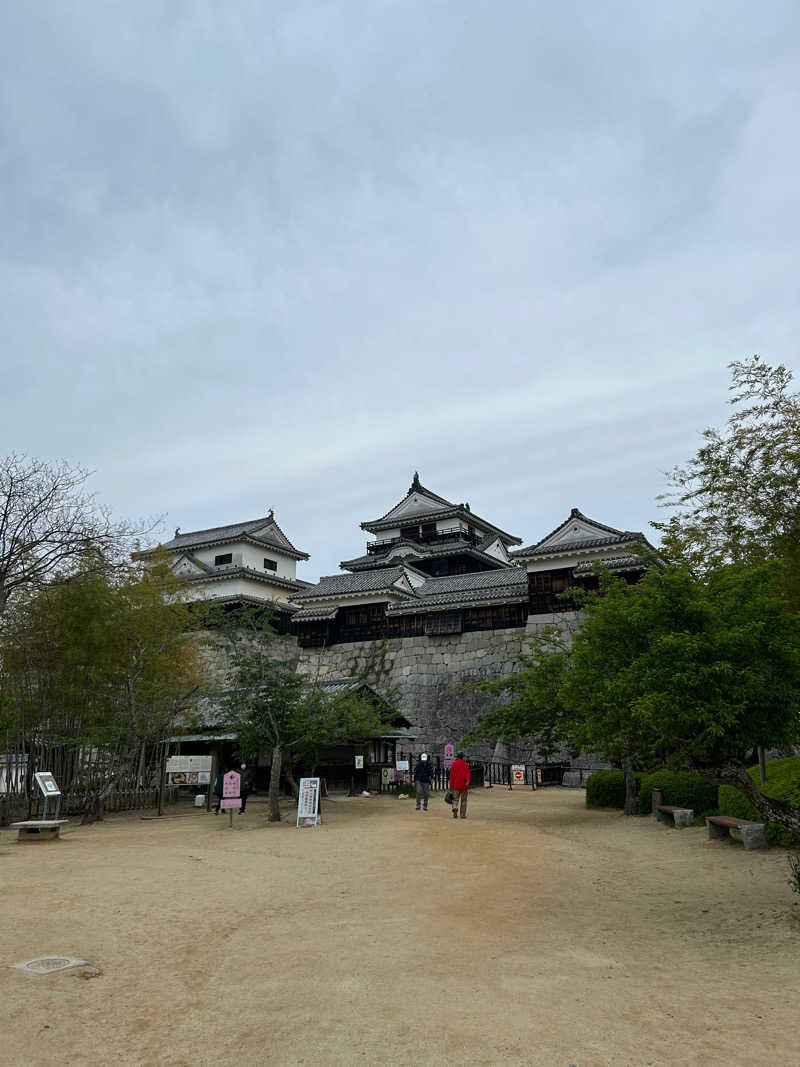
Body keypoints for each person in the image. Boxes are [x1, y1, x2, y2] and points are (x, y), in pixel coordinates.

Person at [448, 752, 471, 819]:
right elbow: (468, 774)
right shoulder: (465, 764)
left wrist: (451, 786)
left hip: (455, 785)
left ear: (457, 757)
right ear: (462, 757)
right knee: (464, 800)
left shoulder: (454, 764)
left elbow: (451, 776)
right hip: (463, 785)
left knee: (455, 799)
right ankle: (462, 814)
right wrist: (467, 781)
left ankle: (455, 808)